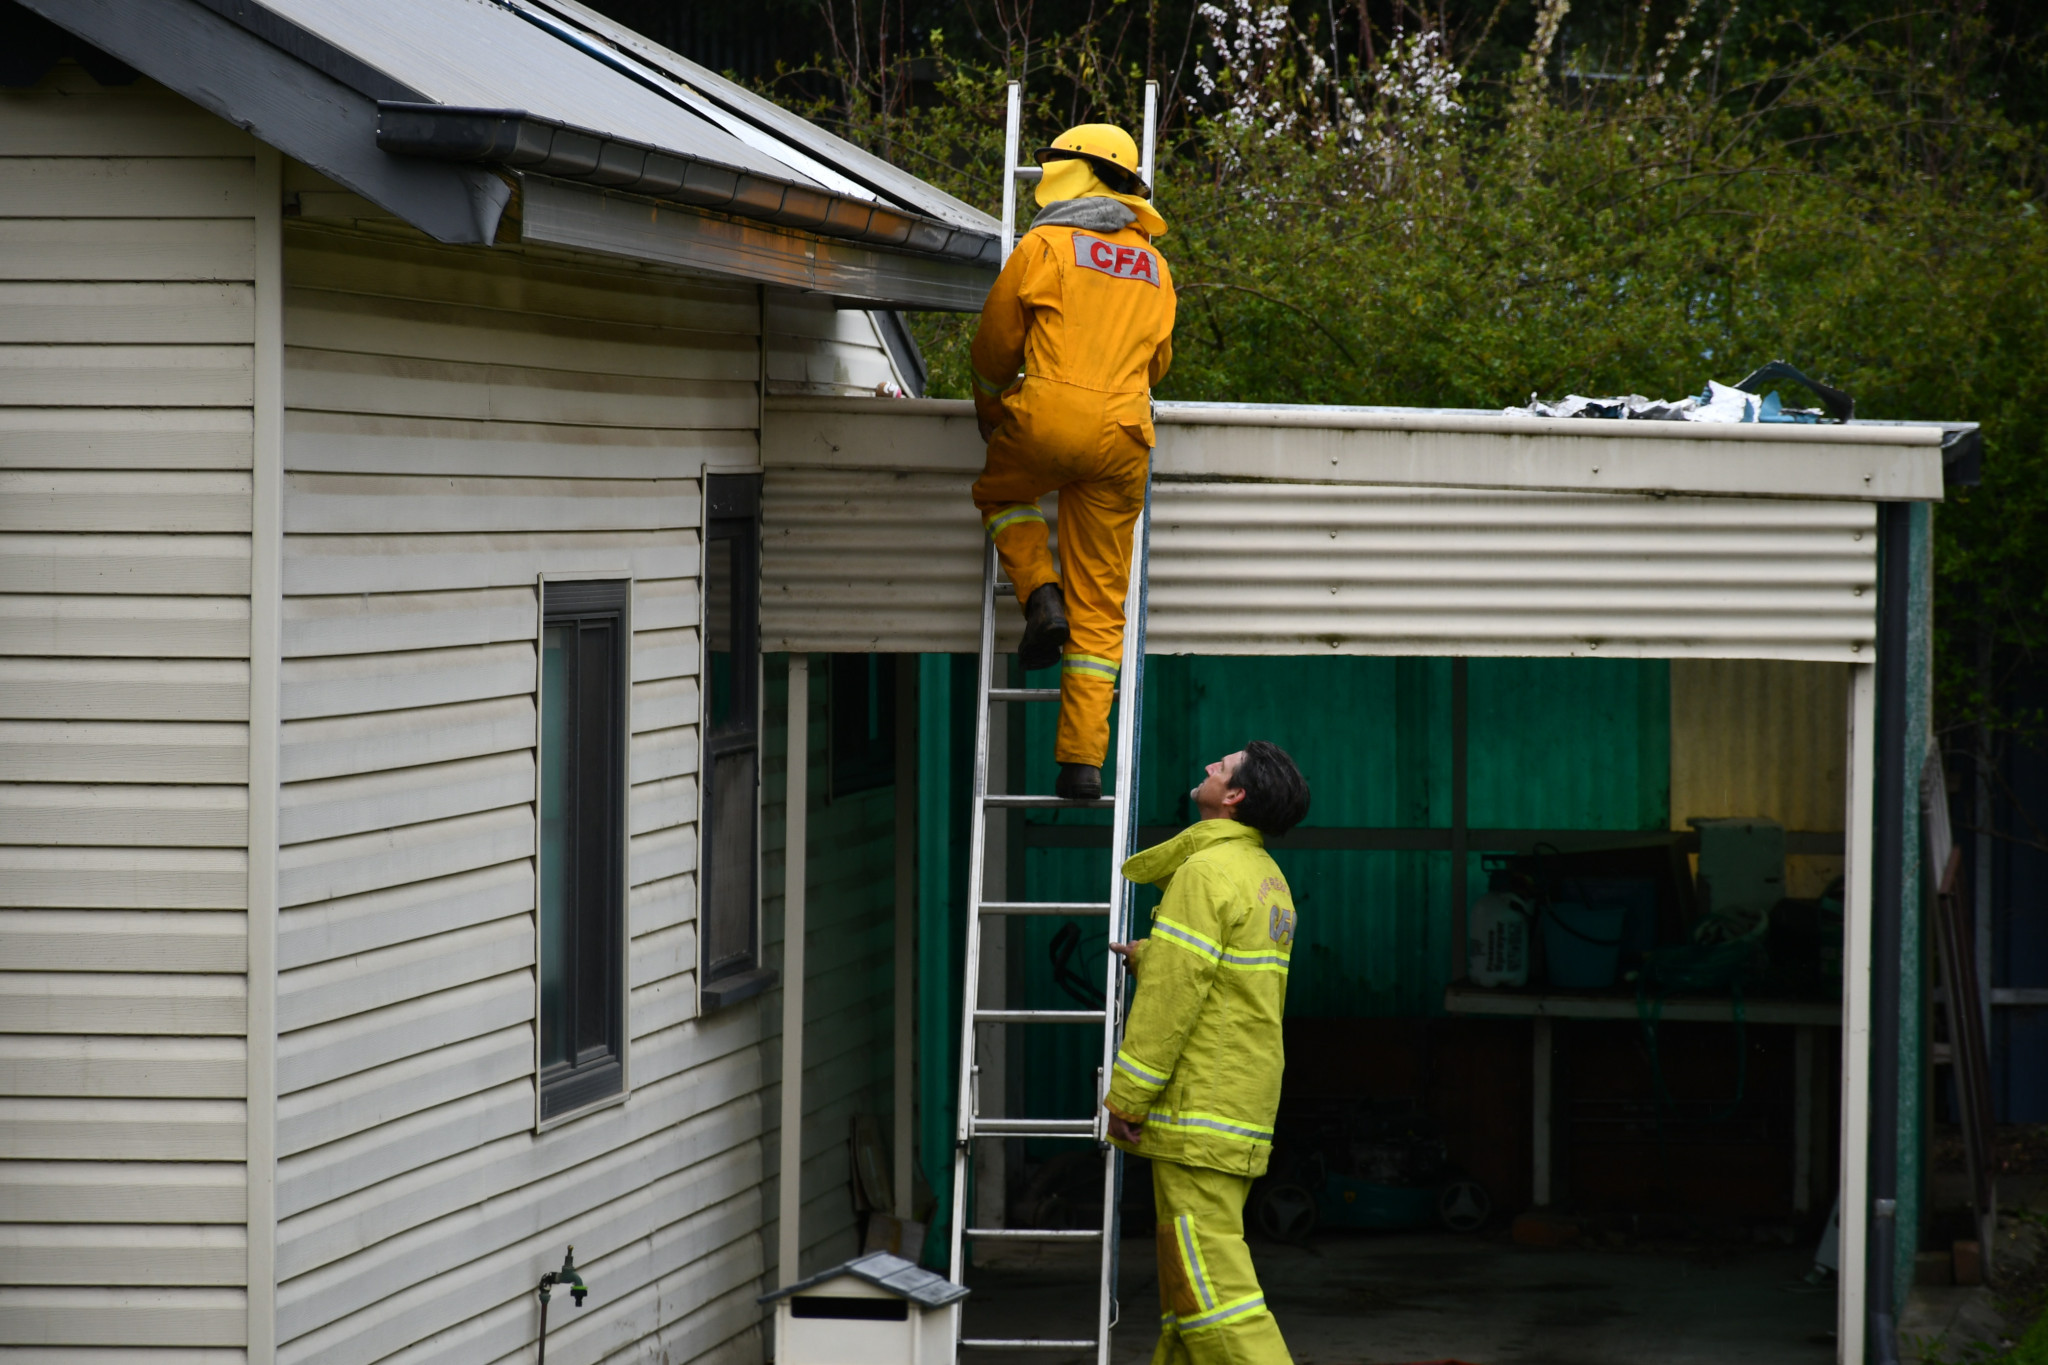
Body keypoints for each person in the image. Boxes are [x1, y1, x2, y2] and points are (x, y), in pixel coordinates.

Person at [969, 121, 1177, 801]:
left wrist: (991, 407)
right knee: (1103, 607)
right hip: (1124, 437)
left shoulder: (1045, 243)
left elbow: (996, 346)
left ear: (1076, 171)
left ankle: (1040, 594)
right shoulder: (1155, 264)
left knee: (1003, 494)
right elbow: (1158, 362)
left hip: (1049, 416)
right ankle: (1082, 763)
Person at [1105, 741, 1312, 1365]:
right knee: (1187, 1293)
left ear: (1234, 797)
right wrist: (1155, 955)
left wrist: (1127, 1097)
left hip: (1201, 1112)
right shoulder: (1265, 878)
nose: (1206, 770)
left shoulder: (1205, 873)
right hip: (1235, 1105)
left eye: (1219, 769)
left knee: (1214, 1292)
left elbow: (1174, 1000)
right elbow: (1228, 981)